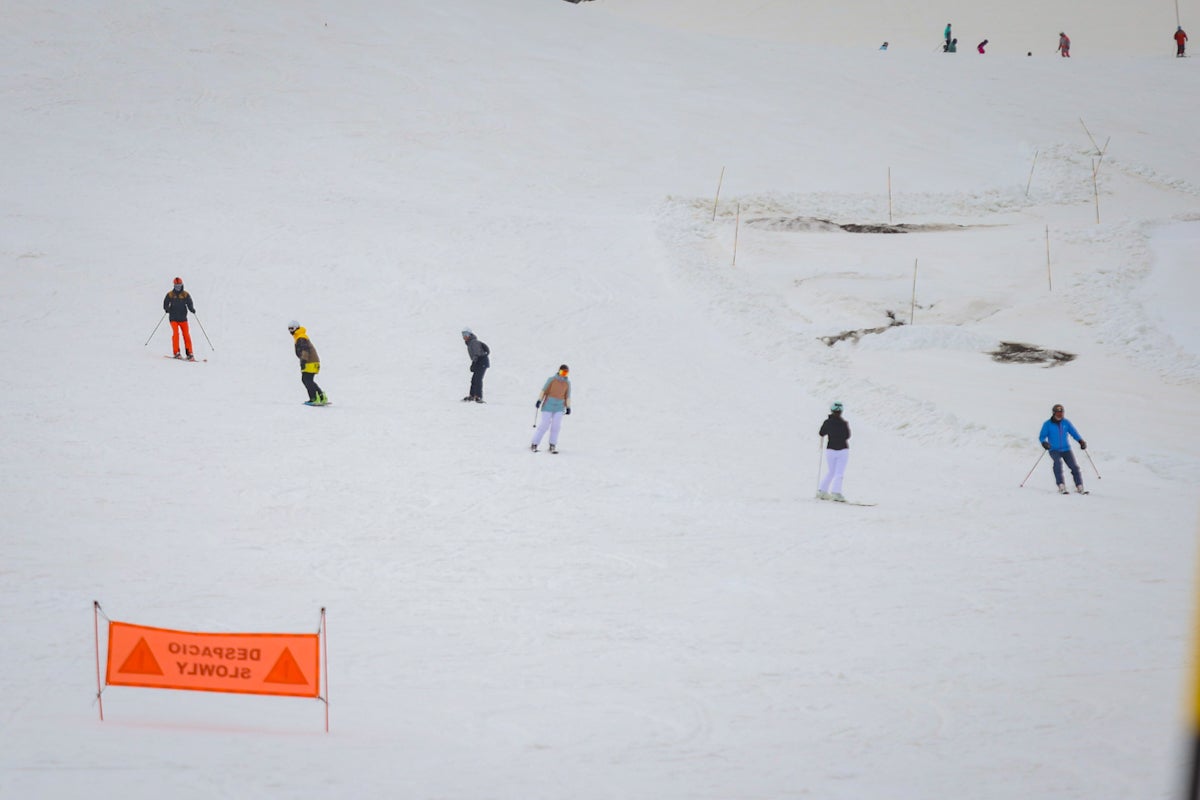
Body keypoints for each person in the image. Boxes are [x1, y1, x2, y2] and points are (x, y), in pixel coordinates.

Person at [1038, 404, 1087, 494]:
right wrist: (1044, 443)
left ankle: (1079, 486)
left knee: (1074, 467)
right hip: (1054, 449)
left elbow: (1074, 432)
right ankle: (1061, 485)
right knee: (1058, 463)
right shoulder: (1047, 424)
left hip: (1066, 449)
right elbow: (1042, 436)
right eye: (1058, 412)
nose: (1060, 414)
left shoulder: (1066, 423)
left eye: (1061, 412)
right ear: (1054, 413)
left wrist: (1080, 441)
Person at [531, 365, 571, 454]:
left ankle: (552, 445)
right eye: (562, 372)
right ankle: (534, 443)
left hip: (559, 407)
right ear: (559, 371)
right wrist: (539, 400)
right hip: (548, 405)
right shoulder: (552, 380)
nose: (563, 374)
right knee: (544, 425)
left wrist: (568, 407)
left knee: (556, 426)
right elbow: (544, 390)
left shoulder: (567, 383)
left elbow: (567, 396)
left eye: (565, 373)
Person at [817, 402, 850, 502]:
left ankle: (822, 491)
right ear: (841, 412)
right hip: (843, 450)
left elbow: (821, 432)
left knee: (831, 472)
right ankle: (836, 493)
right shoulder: (844, 423)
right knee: (839, 473)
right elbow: (848, 436)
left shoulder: (827, 422)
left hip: (830, 449)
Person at [289, 320, 328, 406]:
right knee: (308, 380)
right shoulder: (300, 336)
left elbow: (304, 349)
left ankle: (314, 398)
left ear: (296, 328)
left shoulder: (301, 337)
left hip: (309, 362)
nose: (290, 331)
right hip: (312, 361)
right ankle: (321, 397)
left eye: (292, 329)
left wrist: (303, 361)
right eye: (289, 329)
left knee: (307, 380)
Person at [163, 277, 196, 360]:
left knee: (186, 335)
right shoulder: (170, 294)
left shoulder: (185, 294)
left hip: (183, 318)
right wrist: (167, 309)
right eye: (176, 286)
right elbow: (165, 302)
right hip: (173, 318)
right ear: (174, 286)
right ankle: (176, 352)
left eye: (179, 286)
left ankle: (190, 353)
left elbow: (189, 302)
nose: (178, 288)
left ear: (182, 285)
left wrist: (191, 309)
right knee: (176, 334)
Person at [461, 328, 490, 403]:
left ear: (470, 334)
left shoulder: (474, 342)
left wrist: (474, 363)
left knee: (478, 379)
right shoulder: (470, 342)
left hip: (481, 361)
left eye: (466, 334)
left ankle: (478, 397)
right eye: (463, 334)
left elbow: (477, 353)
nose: (464, 336)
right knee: (474, 379)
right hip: (478, 361)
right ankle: (472, 395)